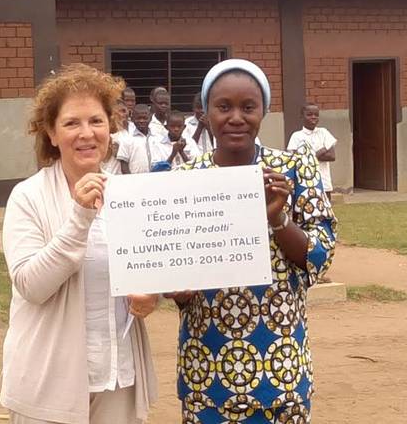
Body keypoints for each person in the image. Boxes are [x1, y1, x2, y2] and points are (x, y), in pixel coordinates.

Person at [168, 59, 336, 423]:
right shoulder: (184, 180)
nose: (236, 118)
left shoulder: (293, 169)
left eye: (248, 107)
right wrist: (176, 289)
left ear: (264, 111)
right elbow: (172, 271)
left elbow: (319, 256)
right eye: (223, 106)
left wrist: (278, 218)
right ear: (205, 112)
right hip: (207, 370)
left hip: (280, 367)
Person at [0, 64, 158, 424]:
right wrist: (79, 218)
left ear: (111, 128)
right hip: (47, 380)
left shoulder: (130, 195)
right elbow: (31, 285)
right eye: (72, 123)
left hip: (116, 374)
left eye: (96, 121)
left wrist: (149, 294)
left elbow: (144, 268)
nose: (86, 133)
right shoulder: (28, 197)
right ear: (51, 134)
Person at [287, 103, 337, 200]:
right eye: (309, 115)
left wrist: (307, 156)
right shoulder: (296, 136)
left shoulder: (324, 132)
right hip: (305, 182)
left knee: (326, 210)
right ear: (302, 116)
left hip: (324, 181)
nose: (313, 117)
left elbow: (331, 156)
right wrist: (323, 149)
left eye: (316, 115)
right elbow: (294, 159)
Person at [117, 104, 155, 174]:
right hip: (136, 181)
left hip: (158, 180)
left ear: (150, 118)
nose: (141, 121)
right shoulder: (126, 140)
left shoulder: (157, 138)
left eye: (145, 118)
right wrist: (132, 182)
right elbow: (124, 167)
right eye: (138, 118)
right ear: (132, 119)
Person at [102, 99, 130, 175]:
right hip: (109, 174)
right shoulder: (105, 133)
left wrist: (122, 153)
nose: (126, 114)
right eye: (122, 111)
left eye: (126, 111)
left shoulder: (129, 131)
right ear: (113, 114)